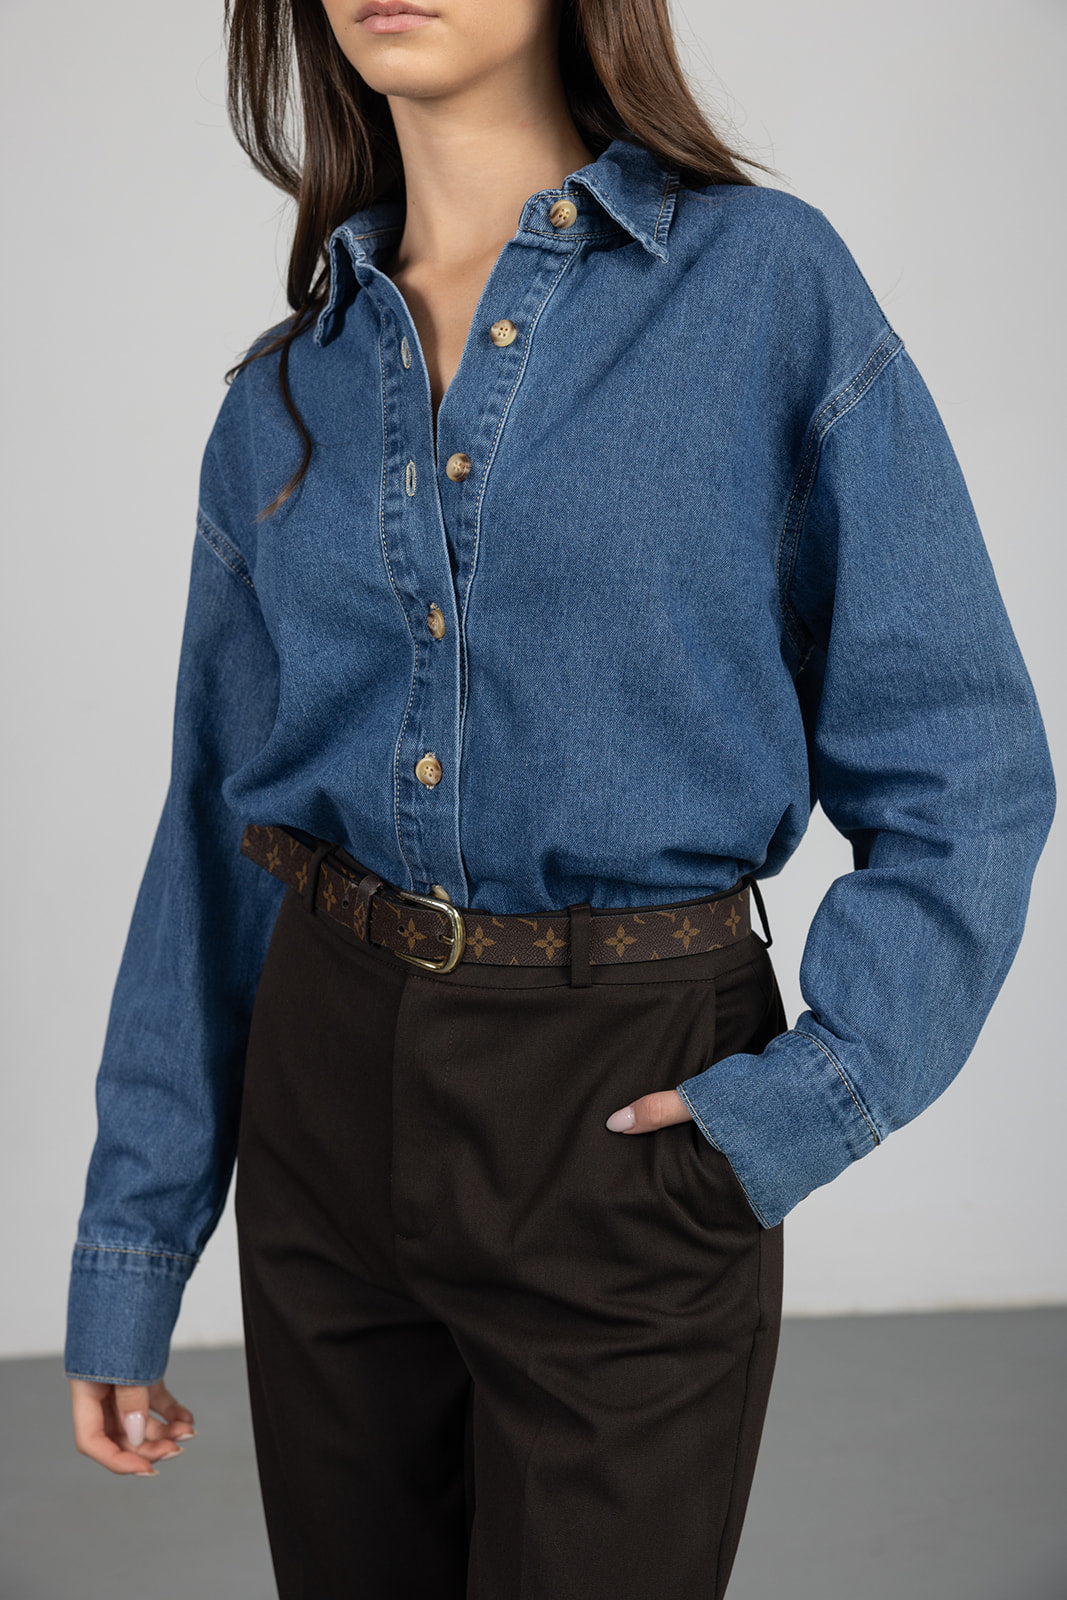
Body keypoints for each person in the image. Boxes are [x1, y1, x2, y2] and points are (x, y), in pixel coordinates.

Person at [65, 0, 1056, 1595]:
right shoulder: (283, 397)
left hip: (625, 1102)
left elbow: (966, 762)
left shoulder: (763, 290)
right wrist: (131, 1250)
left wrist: (802, 1106)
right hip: (324, 1102)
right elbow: (214, 842)